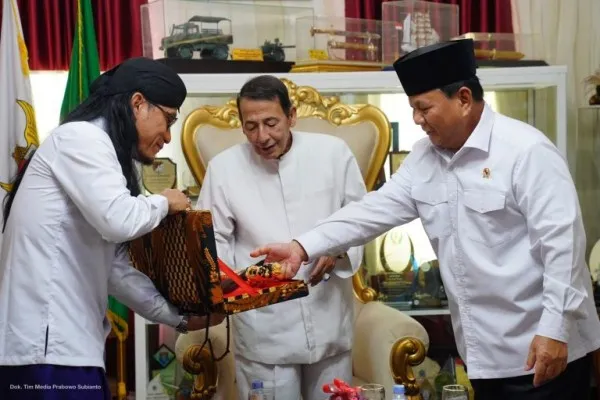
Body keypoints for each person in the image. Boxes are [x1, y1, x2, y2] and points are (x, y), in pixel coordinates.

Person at [250, 40, 600, 399]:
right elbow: (370, 212)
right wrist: (301, 246)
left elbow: (563, 247)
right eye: (413, 108)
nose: (417, 119)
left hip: (543, 350)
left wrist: (556, 330)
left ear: (464, 99)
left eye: (423, 108)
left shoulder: (526, 151)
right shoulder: (424, 159)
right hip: (482, 355)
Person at [0, 57, 224, 400]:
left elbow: (116, 270)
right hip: (45, 350)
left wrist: (179, 319)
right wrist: (166, 201)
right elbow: (119, 219)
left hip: (68, 348)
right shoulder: (81, 138)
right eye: (168, 119)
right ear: (138, 103)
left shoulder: (94, 148)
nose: (167, 135)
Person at [196, 75, 366, 400]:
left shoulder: (333, 153)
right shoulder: (224, 169)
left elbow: (360, 219)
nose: (262, 136)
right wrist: (241, 284)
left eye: (272, 122)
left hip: (328, 316)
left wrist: (337, 250)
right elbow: (212, 247)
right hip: (265, 330)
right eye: (251, 126)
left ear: (292, 115)